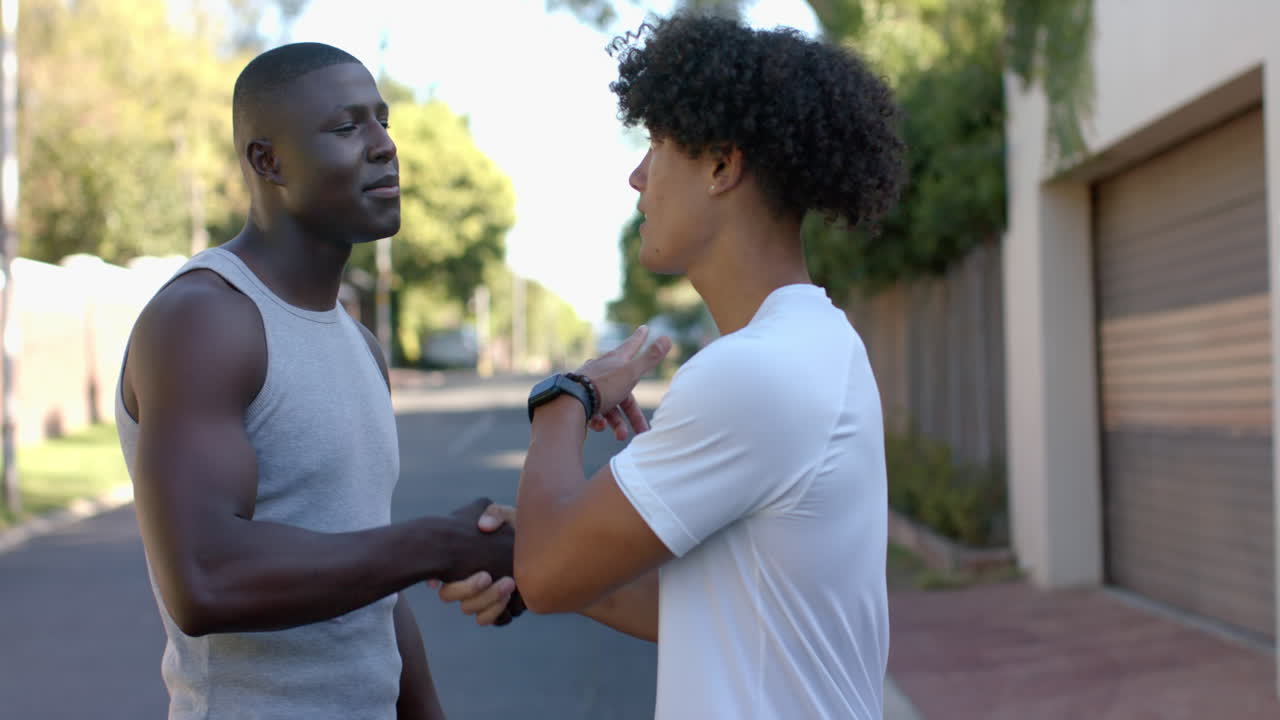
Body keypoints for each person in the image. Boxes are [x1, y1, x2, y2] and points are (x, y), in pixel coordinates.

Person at [439, 12, 906, 720]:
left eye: (655, 144)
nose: (636, 175)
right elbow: (718, 613)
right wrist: (526, 557)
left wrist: (568, 394)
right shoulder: (818, 342)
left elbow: (550, 572)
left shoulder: (755, 375)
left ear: (721, 166)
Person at [115, 42, 519, 720]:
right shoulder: (205, 318)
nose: (385, 145)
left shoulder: (359, 344)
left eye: (383, 121)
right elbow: (205, 576)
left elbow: (370, 589)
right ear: (266, 161)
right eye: (346, 127)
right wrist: (440, 545)